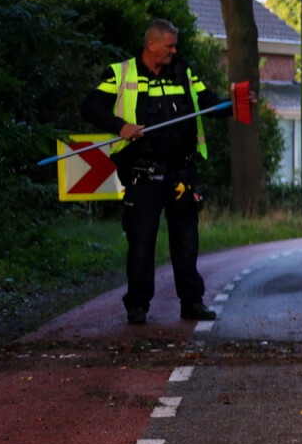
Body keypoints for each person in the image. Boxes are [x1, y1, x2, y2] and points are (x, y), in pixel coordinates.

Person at [81, 18, 218, 324]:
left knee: (186, 240)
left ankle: (192, 303)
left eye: (175, 44)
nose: (174, 50)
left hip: (182, 172)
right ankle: (138, 305)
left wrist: (234, 105)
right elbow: (90, 106)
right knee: (142, 240)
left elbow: (208, 101)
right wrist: (121, 126)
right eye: (169, 45)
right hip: (143, 172)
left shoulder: (183, 72)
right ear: (151, 44)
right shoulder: (121, 74)